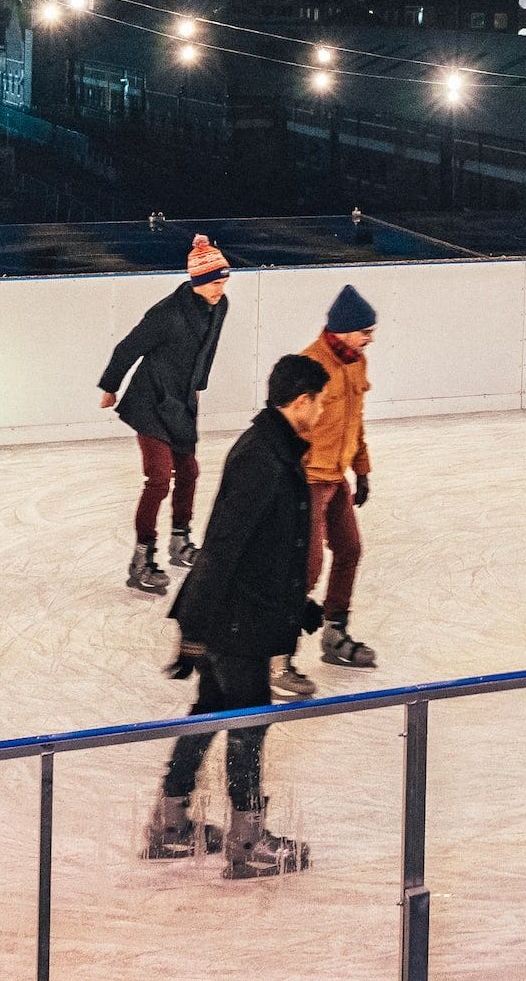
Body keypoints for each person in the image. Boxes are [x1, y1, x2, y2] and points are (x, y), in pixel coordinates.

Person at [147, 352, 330, 875]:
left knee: (209, 711)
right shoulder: (262, 458)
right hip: (233, 620)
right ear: (300, 402)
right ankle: (247, 843)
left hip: (235, 613)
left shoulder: (273, 449)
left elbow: (268, 549)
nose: (321, 413)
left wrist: (298, 605)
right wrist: (196, 631)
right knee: (249, 720)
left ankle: (170, 822)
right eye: (319, 403)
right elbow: (225, 546)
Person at [99, 234, 232, 598]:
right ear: (198, 282)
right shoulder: (167, 314)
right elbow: (127, 348)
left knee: (189, 471)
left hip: (182, 402)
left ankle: (180, 540)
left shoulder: (219, 306)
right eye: (216, 281)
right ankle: (141, 559)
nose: (221, 288)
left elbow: (209, 348)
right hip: (150, 400)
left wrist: (197, 385)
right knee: (159, 478)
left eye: (224, 281)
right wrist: (110, 387)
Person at [298, 285, 380, 672]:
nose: (370, 338)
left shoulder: (355, 362)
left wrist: (361, 469)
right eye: (365, 331)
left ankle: (335, 633)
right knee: (308, 567)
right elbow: (290, 427)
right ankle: (275, 651)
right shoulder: (309, 366)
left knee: (349, 549)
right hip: (308, 479)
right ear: (344, 330)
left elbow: (355, 421)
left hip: (337, 476)